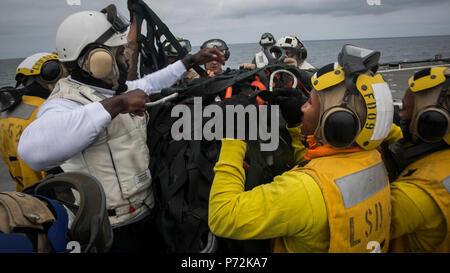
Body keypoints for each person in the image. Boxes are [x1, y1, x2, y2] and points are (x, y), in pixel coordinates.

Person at [17, 5, 225, 252]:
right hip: (111, 230)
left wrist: (190, 61)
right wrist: (116, 105)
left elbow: (148, 83)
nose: (126, 58)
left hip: (146, 213)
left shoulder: (111, 91)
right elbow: (32, 152)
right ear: (98, 60)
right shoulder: (65, 102)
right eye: (119, 53)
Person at [208, 45, 395, 253]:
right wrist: (297, 126)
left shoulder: (303, 191)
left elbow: (223, 217)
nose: (303, 107)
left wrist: (234, 136)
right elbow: (318, 168)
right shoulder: (374, 161)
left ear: (336, 121)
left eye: (310, 103)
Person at [387, 66, 450, 252]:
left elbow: (360, 231)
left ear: (432, 120)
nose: (401, 115)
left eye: (406, 109)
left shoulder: (414, 193)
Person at [0, 52, 68, 192]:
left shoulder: (6, 114)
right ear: (50, 74)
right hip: (55, 193)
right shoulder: (47, 110)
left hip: (26, 195)